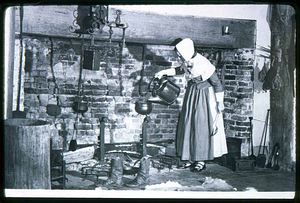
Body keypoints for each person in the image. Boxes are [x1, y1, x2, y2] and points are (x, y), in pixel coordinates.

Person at [154, 38, 227, 172]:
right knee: (188, 124)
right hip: (192, 94)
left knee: (200, 127)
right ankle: (190, 157)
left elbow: (217, 83)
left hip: (204, 96)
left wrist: (220, 102)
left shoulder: (204, 63)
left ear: (186, 51)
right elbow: (178, 70)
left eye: (179, 54)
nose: (178, 56)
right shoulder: (187, 61)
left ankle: (201, 160)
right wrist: (163, 72)